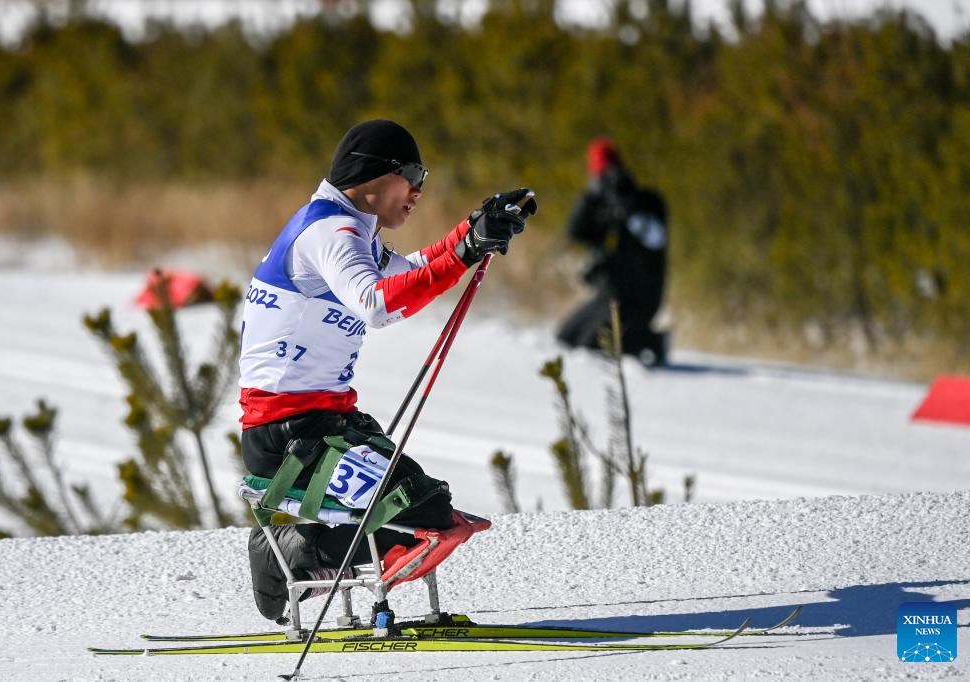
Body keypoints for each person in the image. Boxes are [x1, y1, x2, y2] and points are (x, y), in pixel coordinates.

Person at [238, 119, 536, 620]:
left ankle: (311, 551)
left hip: (325, 425)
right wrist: (463, 252)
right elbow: (376, 303)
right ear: (372, 175)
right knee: (422, 515)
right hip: (287, 435)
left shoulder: (351, 229)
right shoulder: (330, 231)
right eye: (413, 176)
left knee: (432, 510)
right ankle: (291, 551)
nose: (419, 191)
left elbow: (413, 271)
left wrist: (471, 234)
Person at [556, 138, 668, 366]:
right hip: (607, 296)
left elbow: (655, 239)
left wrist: (629, 208)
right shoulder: (601, 205)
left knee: (592, 344)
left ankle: (652, 340)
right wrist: (591, 196)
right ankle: (637, 337)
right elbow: (575, 232)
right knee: (566, 337)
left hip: (638, 300)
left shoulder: (648, 203)